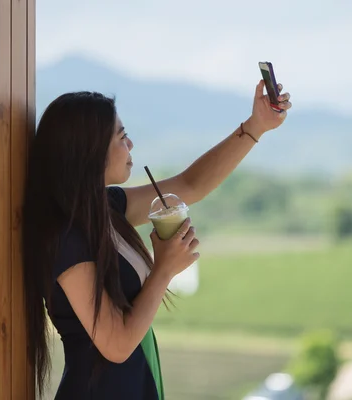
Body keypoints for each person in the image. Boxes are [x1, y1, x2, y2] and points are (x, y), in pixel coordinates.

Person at [21, 79, 292, 399]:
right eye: (121, 137)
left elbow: (189, 185)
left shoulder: (108, 208)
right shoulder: (67, 239)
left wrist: (255, 126)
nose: (131, 145)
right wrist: (164, 268)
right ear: (91, 152)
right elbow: (117, 345)